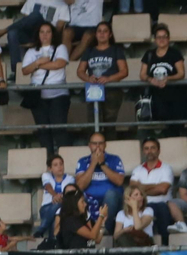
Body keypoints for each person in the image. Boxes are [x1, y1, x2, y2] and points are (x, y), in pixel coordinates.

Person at [21, 21, 68, 157]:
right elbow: (24, 70)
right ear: (38, 34)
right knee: (43, 131)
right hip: (38, 96)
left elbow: (60, 64)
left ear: (53, 34)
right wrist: (38, 62)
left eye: (48, 32)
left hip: (58, 95)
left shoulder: (60, 48)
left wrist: (37, 66)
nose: (45, 35)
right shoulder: (31, 51)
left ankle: (65, 161)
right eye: (42, 32)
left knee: (59, 130)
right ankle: (49, 162)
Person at [74, 20, 126, 128]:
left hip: (112, 90)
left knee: (109, 124)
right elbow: (80, 71)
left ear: (110, 34)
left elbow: (124, 71)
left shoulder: (116, 50)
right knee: (93, 123)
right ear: (96, 34)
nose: (102, 34)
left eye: (105, 31)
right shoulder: (89, 51)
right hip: (94, 89)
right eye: (99, 31)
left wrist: (109, 78)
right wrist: (88, 78)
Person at [74, 130, 124, 219]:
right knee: (77, 197)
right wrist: (93, 164)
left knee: (111, 195)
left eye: (100, 143)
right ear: (89, 145)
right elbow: (80, 186)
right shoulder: (83, 161)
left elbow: (119, 181)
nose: (97, 146)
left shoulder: (114, 159)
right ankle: (89, 227)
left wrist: (102, 164)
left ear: (105, 145)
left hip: (111, 202)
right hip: (89, 201)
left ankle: (104, 227)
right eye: (94, 143)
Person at [37, 153, 73, 238]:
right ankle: (51, 239)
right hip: (46, 208)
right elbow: (48, 186)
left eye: (61, 164)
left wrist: (59, 198)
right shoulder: (46, 175)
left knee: (57, 215)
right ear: (50, 168)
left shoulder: (70, 178)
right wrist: (55, 195)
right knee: (57, 207)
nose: (60, 167)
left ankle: (43, 229)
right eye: (56, 165)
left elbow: (69, 193)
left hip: (63, 210)